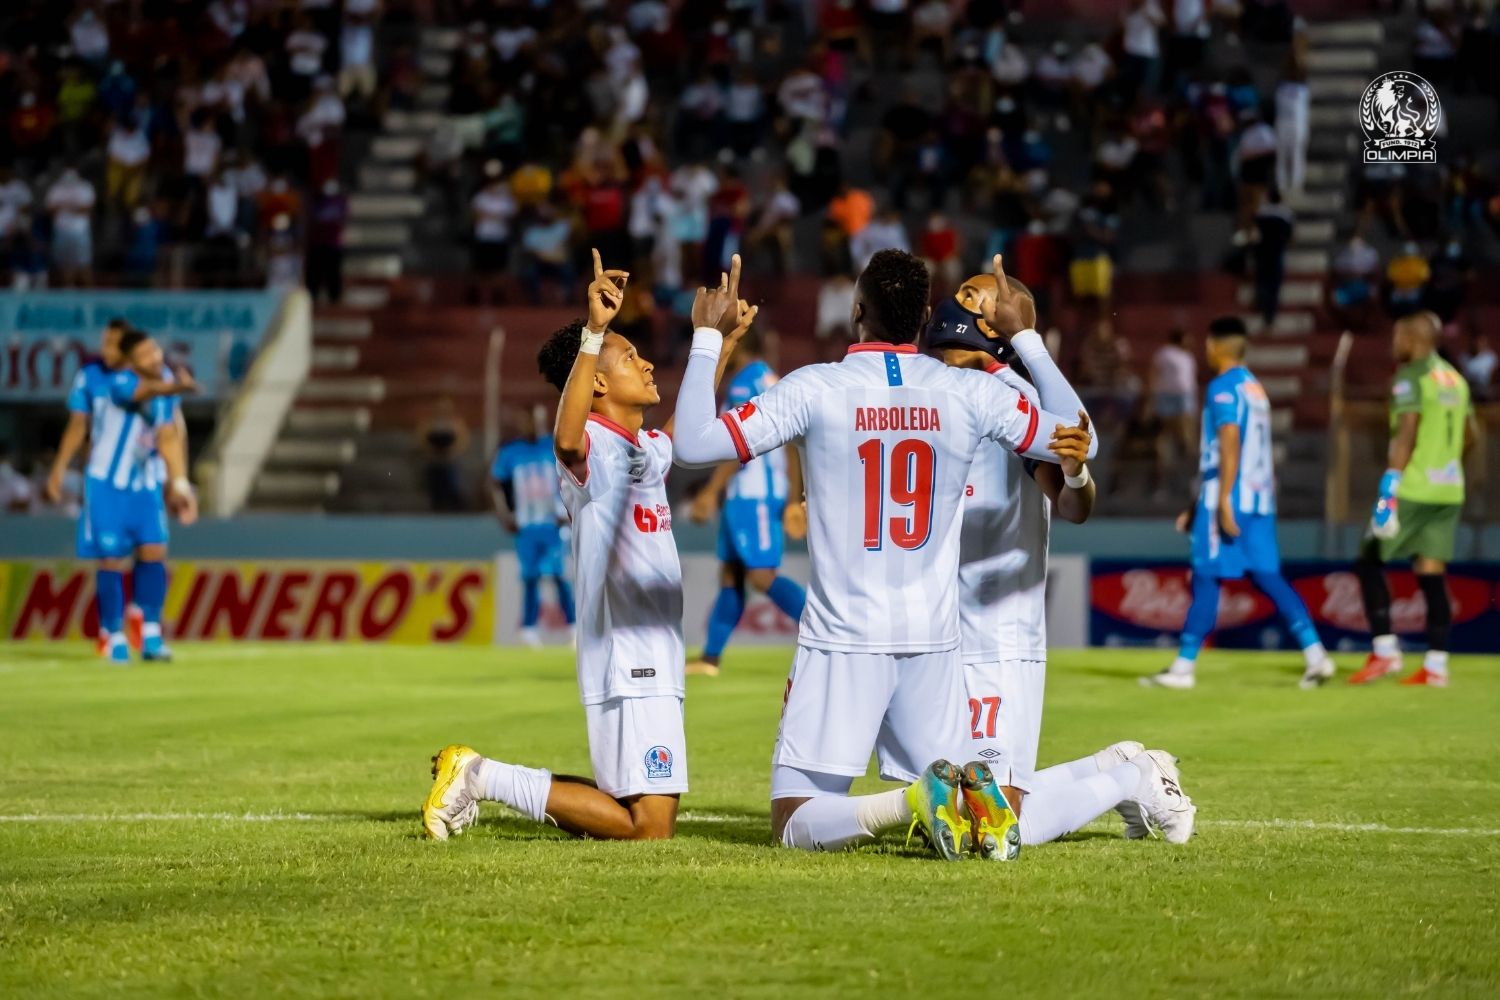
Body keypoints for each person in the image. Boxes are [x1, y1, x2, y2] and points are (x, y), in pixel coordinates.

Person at [673, 249, 1093, 861]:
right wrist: (1024, 335)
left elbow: (691, 443)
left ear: (856, 311)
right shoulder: (969, 392)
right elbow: (1076, 437)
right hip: (934, 640)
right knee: (960, 815)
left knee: (794, 821)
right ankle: (943, 796)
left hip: (844, 636)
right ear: (925, 315)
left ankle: (909, 802)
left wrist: (709, 339)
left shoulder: (815, 388)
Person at [421, 250, 752, 842]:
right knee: (649, 828)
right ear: (598, 379)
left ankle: (475, 773)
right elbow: (567, 438)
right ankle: (479, 776)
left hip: (650, 648)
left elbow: (686, 431)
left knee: (630, 807)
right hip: (631, 652)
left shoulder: (640, 447)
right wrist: (595, 333)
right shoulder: (592, 447)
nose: (648, 364)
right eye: (632, 358)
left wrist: (718, 340)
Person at [925, 258, 1194, 847]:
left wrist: (1074, 475)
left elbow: (1075, 494)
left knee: (991, 830)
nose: (956, 298)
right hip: (928, 629)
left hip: (999, 630)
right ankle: (1109, 766)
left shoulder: (1013, 392)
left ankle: (1133, 778)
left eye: (975, 296)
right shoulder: (921, 388)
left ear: (999, 325)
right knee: (946, 809)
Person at [1144, 316, 1335, 690]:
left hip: (1230, 496)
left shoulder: (1222, 387)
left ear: (1215, 345)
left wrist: (1222, 499)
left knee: (1205, 574)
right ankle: (1317, 656)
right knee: (1267, 576)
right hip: (1260, 497)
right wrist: (1196, 504)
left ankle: (1183, 668)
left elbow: (1229, 442)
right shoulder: (1254, 388)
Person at [1349, 312, 1476, 688]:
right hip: (1448, 489)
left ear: (1414, 338)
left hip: (1414, 488)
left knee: (1369, 562)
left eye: (1398, 336)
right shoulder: (1455, 378)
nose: (1393, 343)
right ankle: (1436, 666)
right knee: (1431, 573)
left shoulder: (1411, 377)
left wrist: (1388, 491)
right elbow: (1471, 435)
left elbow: (1406, 433)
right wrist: (1446, 464)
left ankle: (1385, 652)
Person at [686, 327, 807, 677]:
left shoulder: (744, 383)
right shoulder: (767, 379)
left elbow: (735, 444)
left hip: (753, 494)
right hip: (756, 493)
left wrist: (710, 491)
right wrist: (793, 497)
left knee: (761, 576)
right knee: (731, 575)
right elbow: (792, 443)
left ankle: (826, 633)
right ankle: (710, 659)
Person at [73, 327, 198, 664]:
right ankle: (110, 634)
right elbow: (142, 393)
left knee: (155, 551)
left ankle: (151, 633)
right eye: (145, 355)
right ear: (131, 361)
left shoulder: (167, 381)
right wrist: (177, 387)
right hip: (107, 484)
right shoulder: (120, 382)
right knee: (111, 559)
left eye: (155, 351)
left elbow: (168, 434)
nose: (154, 358)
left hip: (145, 483)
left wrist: (180, 483)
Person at [491, 404, 575, 648]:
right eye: (528, 421)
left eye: (537, 420)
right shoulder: (510, 452)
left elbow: (574, 478)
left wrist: (569, 510)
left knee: (559, 574)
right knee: (530, 576)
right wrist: (504, 514)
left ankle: (573, 627)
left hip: (554, 523)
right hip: (526, 525)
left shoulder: (555, 446)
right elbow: (494, 482)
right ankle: (528, 629)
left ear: (544, 420)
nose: (533, 425)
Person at [1150, 328, 1198, 499]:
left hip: (1184, 399)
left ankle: (1191, 481)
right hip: (1169, 398)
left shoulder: (1188, 357)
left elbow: (1190, 382)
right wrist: (1153, 399)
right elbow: (1154, 375)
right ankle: (1162, 484)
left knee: (1187, 441)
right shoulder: (1165, 353)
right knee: (1165, 441)